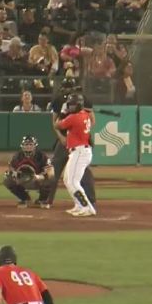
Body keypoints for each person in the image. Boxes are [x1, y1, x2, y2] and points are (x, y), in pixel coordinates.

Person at [46, 78, 97, 210]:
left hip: (78, 142)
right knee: (55, 170)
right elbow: (55, 124)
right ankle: (47, 199)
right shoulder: (59, 100)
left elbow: (92, 120)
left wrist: (80, 132)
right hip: (65, 140)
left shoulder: (83, 100)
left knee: (81, 173)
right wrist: (62, 137)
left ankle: (89, 202)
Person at [2, 135, 54, 206]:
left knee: (51, 178)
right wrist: (15, 175)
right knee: (7, 177)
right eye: (26, 144)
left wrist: (39, 177)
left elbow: (50, 172)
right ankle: (25, 198)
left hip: (38, 180)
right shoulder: (17, 156)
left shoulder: (41, 156)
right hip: (22, 180)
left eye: (30, 144)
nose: (28, 146)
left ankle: (42, 200)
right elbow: (11, 168)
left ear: (35, 146)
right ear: (22, 146)